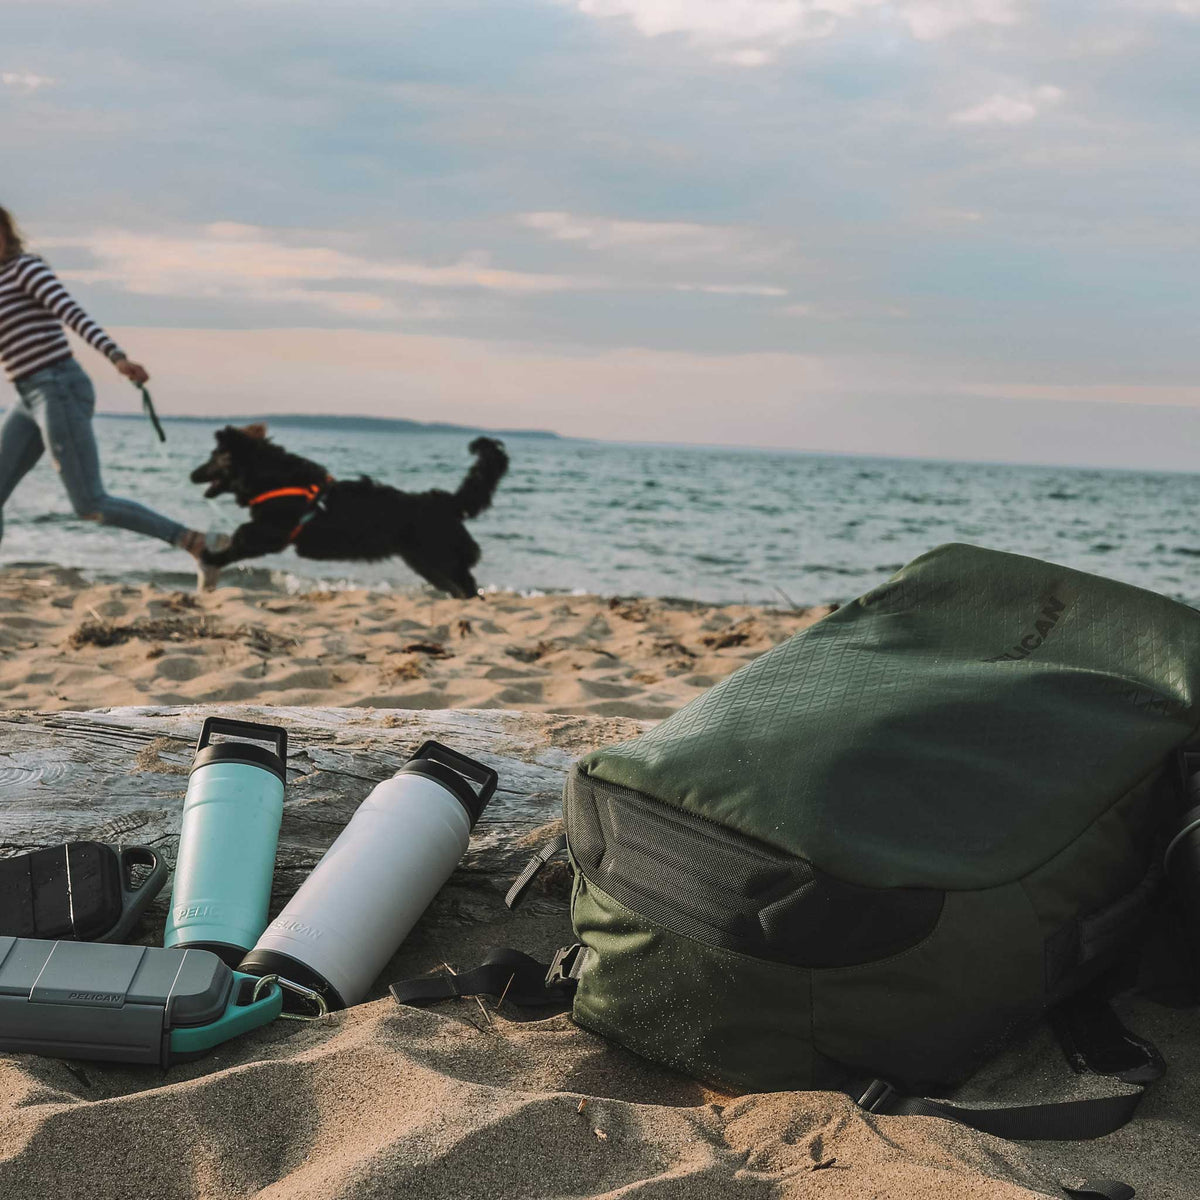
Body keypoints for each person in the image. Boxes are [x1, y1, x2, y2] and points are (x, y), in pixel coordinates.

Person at [0, 204, 212, 581]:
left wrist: (116, 357)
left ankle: (196, 544)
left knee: (89, 503)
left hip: (58, 387)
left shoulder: (25, 269)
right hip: (26, 395)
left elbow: (72, 313)